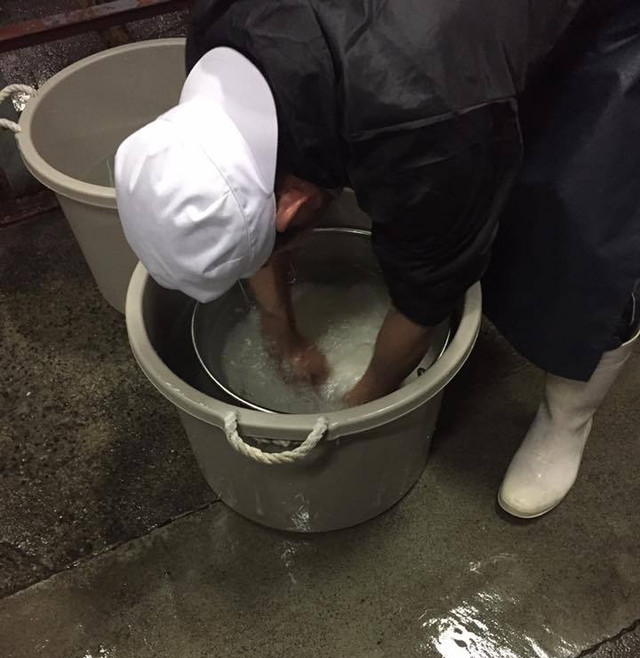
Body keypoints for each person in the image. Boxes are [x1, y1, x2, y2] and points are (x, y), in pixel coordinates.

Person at [115, 0, 639, 519]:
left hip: (603, 23)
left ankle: (566, 417)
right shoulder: (216, 38)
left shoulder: (422, 122)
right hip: (442, 45)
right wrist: (279, 327)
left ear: (292, 206)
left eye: (270, 245)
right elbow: (251, 187)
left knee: (577, 222)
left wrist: (357, 404)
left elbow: (426, 295)